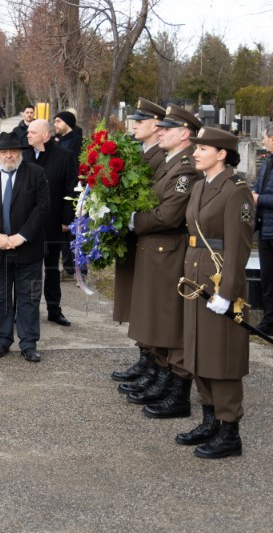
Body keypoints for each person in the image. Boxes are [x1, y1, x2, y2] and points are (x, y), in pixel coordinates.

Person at [177, 127, 253, 459]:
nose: (195, 152)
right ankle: (209, 420)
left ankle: (229, 431)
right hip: (196, 281)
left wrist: (228, 291)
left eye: (202, 148)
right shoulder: (197, 186)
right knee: (198, 351)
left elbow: (239, 247)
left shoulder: (236, 191)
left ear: (222, 154)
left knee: (222, 357)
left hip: (219, 282)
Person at [122, 105, 202, 419]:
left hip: (169, 252)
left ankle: (174, 390)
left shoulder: (185, 168)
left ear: (185, 134)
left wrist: (131, 219)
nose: (161, 131)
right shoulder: (171, 163)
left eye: (168, 128)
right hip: (156, 250)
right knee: (157, 317)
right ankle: (159, 377)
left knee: (169, 321)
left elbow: (169, 214)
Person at [0, 132, 49, 363]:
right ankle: (2, 340)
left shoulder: (36, 174)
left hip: (28, 249)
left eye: (13, 151)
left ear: (21, 152)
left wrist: (22, 236)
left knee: (29, 297)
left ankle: (28, 343)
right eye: (4, 151)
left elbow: (43, 207)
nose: (8, 155)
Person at [111, 98, 166, 382]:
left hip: (151, 238)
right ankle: (145, 359)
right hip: (138, 238)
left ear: (156, 125)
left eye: (140, 121)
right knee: (137, 301)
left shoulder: (161, 157)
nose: (134, 125)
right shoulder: (145, 153)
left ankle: (153, 363)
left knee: (148, 305)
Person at [25, 119, 77, 326]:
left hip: (53, 223)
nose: (27, 135)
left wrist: (66, 219)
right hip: (27, 224)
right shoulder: (25, 155)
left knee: (52, 270)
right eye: (27, 131)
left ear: (45, 135)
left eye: (32, 132)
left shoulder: (65, 157)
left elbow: (71, 189)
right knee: (29, 270)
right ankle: (27, 310)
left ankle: (54, 310)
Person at [252, 122, 273, 336]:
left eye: (265, 137)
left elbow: (261, 195)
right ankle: (269, 321)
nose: (263, 141)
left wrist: (259, 199)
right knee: (267, 278)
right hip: (265, 228)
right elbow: (258, 184)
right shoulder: (267, 161)